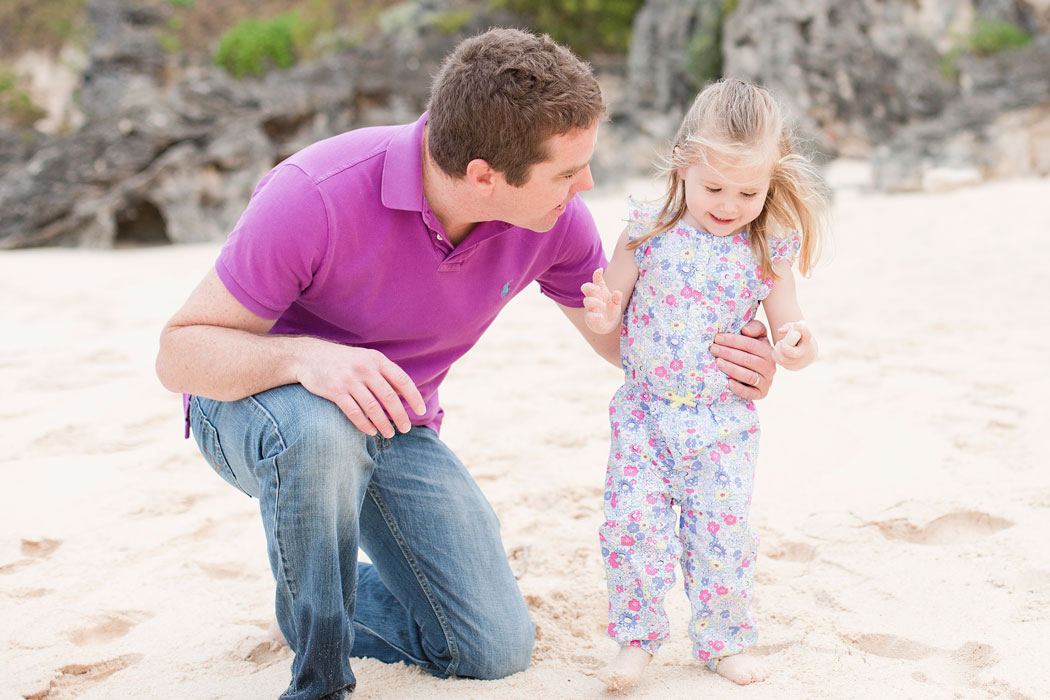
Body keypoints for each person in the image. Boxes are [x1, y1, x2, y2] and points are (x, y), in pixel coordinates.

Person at [155, 28, 778, 700]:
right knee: (318, 430)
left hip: (396, 422)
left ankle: (317, 591)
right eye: (568, 171)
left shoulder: (555, 221)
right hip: (258, 410)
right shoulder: (315, 193)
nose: (587, 185)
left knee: (491, 648)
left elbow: (623, 342)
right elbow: (180, 354)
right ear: (484, 175)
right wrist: (310, 360)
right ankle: (319, 676)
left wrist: (732, 364)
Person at [580, 79, 830, 689]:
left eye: (749, 191)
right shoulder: (647, 229)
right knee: (632, 528)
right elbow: (613, 301)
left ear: (772, 180)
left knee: (720, 534)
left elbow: (788, 322)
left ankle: (723, 640)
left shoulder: (767, 245)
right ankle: (636, 641)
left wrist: (798, 346)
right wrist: (605, 314)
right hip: (644, 414)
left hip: (723, 423)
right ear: (683, 165)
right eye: (713, 187)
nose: (729, 203)